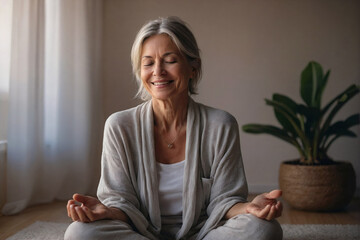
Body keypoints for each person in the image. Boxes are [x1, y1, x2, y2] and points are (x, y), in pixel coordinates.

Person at [64, 16, 283, 240]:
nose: (158, 71)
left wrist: (249, 208)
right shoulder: (119, 126)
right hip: (139, 233)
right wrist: (107, 211)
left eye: (169, 60)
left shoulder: (221, 125)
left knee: (264, 230)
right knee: (79, 233)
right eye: (148, 63)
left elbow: (225, 201)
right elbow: (121, 201)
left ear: (193, 67)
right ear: (140, 72)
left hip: (205, 233)